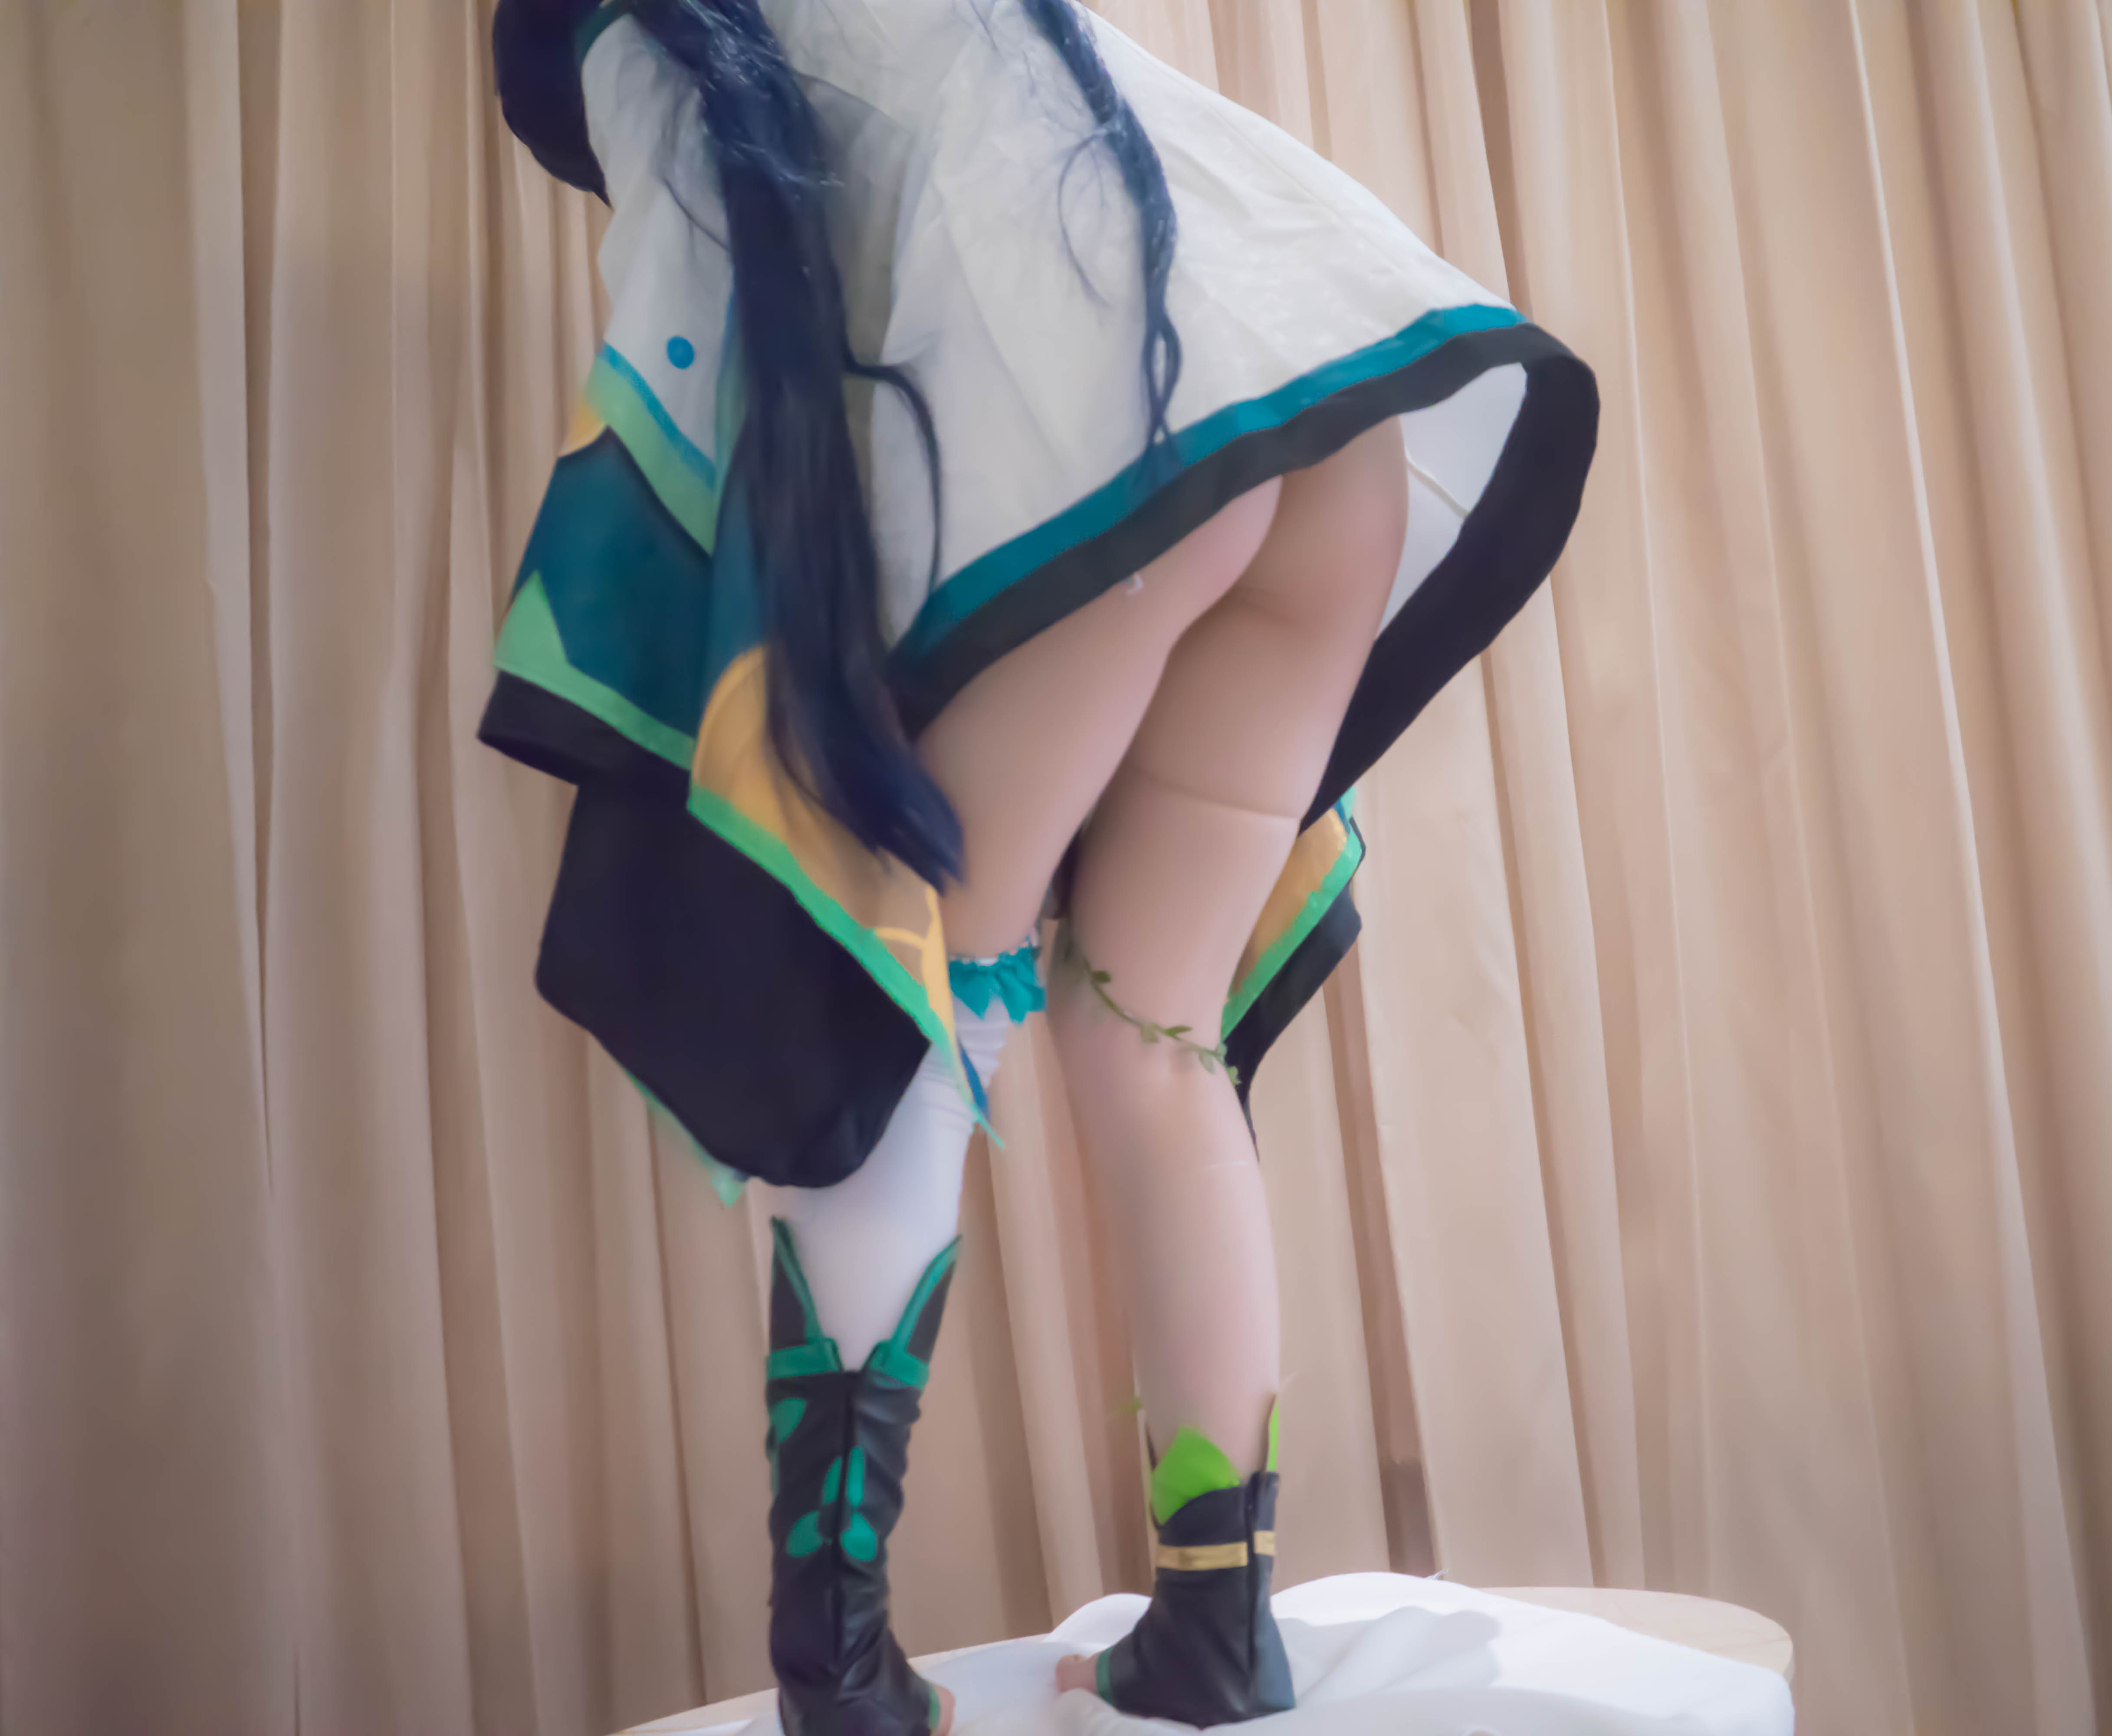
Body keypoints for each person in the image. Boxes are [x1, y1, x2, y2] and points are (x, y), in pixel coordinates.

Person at [486, 1, 1595, 1728]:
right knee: (1159, 1031)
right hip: (1320, 411)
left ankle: (838, 1672)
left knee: (920, 992)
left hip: (1130, 422)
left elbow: (701, 337)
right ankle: (1217, 1631)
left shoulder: (631, 32)